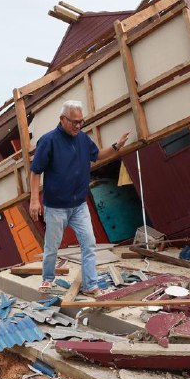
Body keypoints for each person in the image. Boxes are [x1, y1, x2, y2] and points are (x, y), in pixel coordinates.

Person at [29, 100, 129, 294]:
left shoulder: (82, 139)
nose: (78, 125)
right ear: (62, 119)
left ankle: (90, 285)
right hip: (56, 207)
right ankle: (48, 278)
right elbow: (35, 171)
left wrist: (116, 146)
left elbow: (98, 155)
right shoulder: (48, 141)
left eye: (81, 121)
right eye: (74, 122)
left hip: (79, 206)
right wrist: (34, 200)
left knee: (89, 244)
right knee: (52, 247)